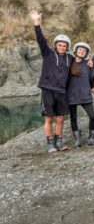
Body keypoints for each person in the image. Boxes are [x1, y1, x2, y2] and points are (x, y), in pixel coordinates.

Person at [29, 10, 72, 153]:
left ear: (67, 47)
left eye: (64, 45)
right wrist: (37, 23)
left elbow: (79, 66)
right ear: (55, 46)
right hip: (47, 90)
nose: (62, 47)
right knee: (49, 118)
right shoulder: (48, 54)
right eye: (59, 45)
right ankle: (50, 145)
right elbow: (41, 39)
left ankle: (58, 143)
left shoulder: (69, 58)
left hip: (62, 92)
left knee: (60, 119)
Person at [67, 42, 94, 147]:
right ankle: (77, 139)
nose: (82, 51)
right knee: (73, 118)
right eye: (80, 49)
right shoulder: (69, 62)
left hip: (85, 94)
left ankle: (91, 137)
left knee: (92, 116)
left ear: (86, 53)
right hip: (71, 95)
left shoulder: (88, 64)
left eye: (84, 50)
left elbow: (92, 79)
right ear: (76, 51)